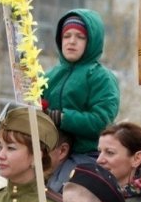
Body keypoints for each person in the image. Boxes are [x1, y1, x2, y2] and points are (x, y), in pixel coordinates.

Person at [43, 9, 120, 157]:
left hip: (85, 155)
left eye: (80, 37)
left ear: (92, 42)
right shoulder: (50, 76)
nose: (71, 41)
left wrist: (63, 118)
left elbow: (102, 122)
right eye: (66, 36)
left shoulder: (101, 77)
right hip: (50, 154)